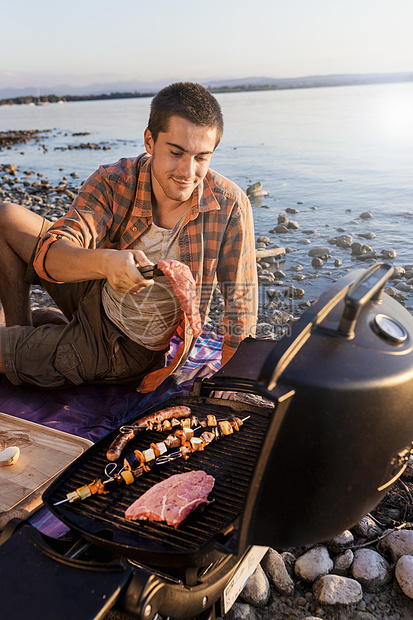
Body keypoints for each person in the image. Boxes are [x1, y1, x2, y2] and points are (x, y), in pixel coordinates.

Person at [0, 82, 258, 392]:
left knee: (22, 340)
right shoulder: (114, 180)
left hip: (125, 345)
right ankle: (20, 338)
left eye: (202, 158)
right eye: (176, 153)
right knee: (6, 217)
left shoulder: (230, 205)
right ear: (150, 141)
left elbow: (240, 305)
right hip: (97, 289)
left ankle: (21, 349)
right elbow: (55, 253)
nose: (188, 172)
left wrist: (236, 386)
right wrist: (107, 263)